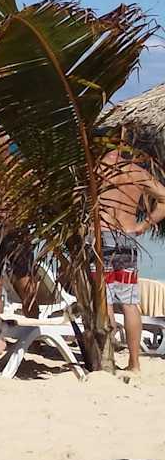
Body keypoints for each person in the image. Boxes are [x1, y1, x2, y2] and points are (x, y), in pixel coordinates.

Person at [95, 141, 165, 372]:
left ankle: (107, 360)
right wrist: (143, 225)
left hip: (101, 237)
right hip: (127, 237)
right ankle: (134, 363)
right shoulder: (135, 171)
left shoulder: (95, 169)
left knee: (103, 298)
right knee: (130, 302)